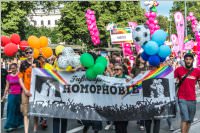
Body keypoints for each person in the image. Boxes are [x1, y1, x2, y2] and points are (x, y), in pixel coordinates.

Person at [174, 53, 200, 133]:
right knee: (185, 118)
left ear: (193, 60)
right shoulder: (178, 70)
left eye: (190, 59)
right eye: (187, 59)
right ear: (184, 60)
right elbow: (173, 81)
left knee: (189, 120)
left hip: (192, 98)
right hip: (182, 98)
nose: (188, 61)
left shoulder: (197, 71)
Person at [18, 47, 37, 133]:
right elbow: (20, 78)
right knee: (26, 112)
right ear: (25, 54)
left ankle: (35, 129)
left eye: (30, 52)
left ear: (33, 53)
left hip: (36, 91)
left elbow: (43, 75)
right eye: (27, 53)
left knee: (36, 111)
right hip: (26, 91)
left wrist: (35, 68)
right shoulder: (23, 64)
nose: (29, 54)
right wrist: (25, 90)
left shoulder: (37, 63)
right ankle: (26, 131)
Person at [3, 63, 24, 132]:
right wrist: (4, 95)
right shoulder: (8, 76)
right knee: (11, 110)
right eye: (11, 68)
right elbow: (7, 86)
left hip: (19, 95)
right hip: (11, 95)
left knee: (18, 110)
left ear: (16, 68)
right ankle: (9, 125)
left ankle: (19, 123)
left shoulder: (20, 75)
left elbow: (22, 85)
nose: (12, 69)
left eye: (14, 68)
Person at [113, 64, 129, 133]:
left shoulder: (127, 78)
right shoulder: (112, 78)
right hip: (115, 104)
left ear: (122, 70)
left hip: (125, 104)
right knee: (117, 125)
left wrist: (125, 92)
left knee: (124, 124)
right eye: (115, 69)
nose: (116, 71)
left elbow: (132, 87)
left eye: (118, 69)